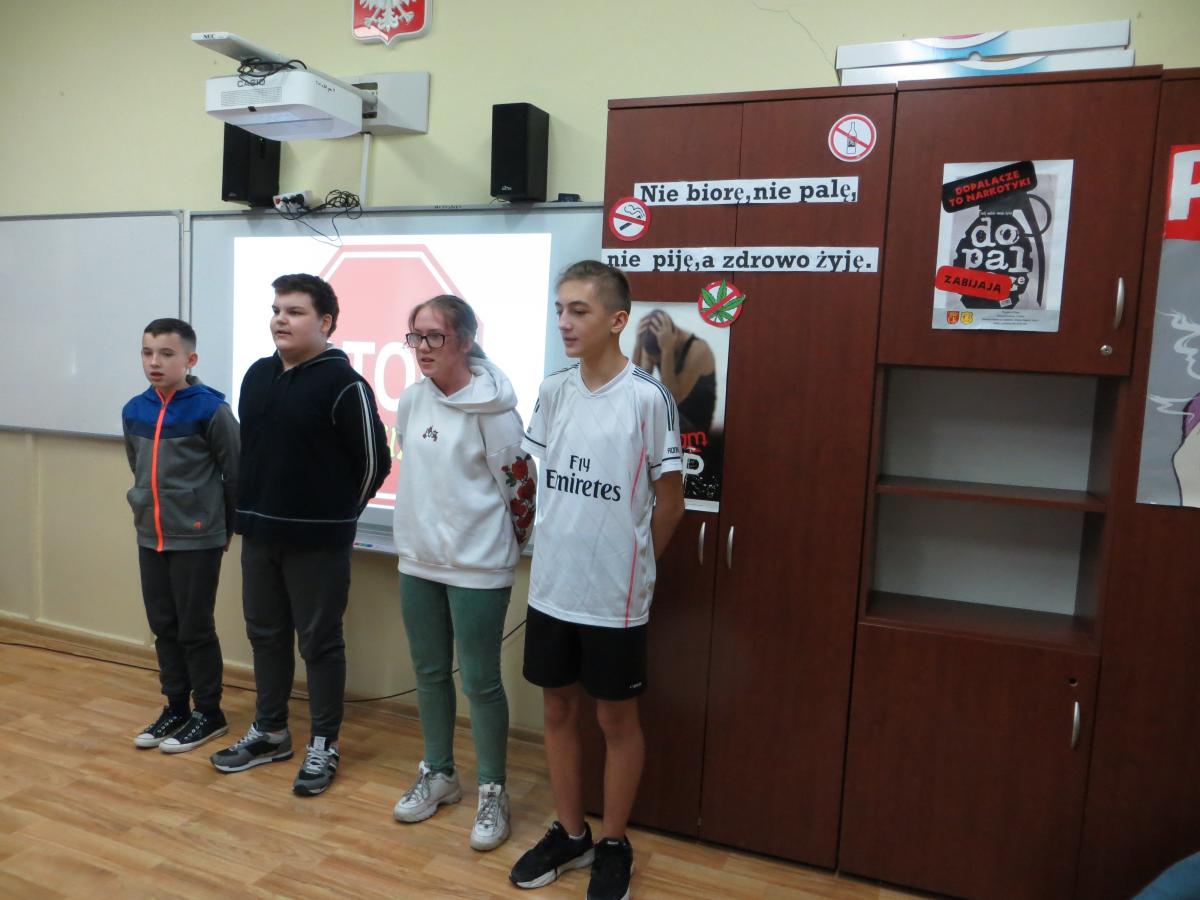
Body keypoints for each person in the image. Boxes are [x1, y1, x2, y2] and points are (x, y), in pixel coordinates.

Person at [509, 261, 685, 900]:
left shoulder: (647, 398)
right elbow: (543, 479)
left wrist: (638, 568)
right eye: (560, 309)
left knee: (615, 719)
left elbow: (671, 503)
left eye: (578, 310)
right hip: (553, 588)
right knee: (558, 708)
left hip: (615, 597)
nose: (564, 322)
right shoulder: (554, 390)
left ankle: (613, 842)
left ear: (617, 320)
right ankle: (570, 830)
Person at [210, 273, 390, 797]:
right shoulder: (257, 375)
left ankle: (324, 743)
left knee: (319, 643)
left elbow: (374, 462)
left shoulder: (345, 384)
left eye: (294, 311)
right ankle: (270, 732)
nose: (280, 320)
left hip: (318, 543)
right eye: (276, 310)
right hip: (259, 534)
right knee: (264, 635)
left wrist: (336, 516)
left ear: (325, 322)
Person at [389, 294, 535, 851]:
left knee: (479, 681)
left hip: (479, 567)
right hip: (418, 560)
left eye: (435, 336)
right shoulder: (411, 400)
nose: (422, 348)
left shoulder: (495, 411)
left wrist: (502, 548)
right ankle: (440, 773)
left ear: (466, 340)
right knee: (429, 671)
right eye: (415, 337)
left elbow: (521, 488)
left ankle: (492, 789)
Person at [123, 318, 238, 753]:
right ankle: (176, 707)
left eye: (166, 354)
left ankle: (209, 712)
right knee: (163, 625)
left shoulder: (211, 409)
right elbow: (136, 466)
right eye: (147, 352)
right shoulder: (134, 410)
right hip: (150, 535)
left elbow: (235, 473)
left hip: (197, 537)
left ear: (190, 359)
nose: (155, 362)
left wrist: (223, 529)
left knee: (194, 627)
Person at [630, 308, 716, 435]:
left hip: (694, 428)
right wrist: (638, 344)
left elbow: (672, 400)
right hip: (671, 420)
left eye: (658, 355)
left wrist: (667, 351)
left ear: (673, 336)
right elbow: (635, 389)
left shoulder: (698, 350)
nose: (653, 359)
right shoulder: (655, 342)